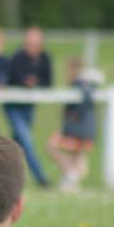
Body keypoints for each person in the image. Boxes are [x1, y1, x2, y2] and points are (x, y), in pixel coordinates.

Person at [5, 26, 52, 187]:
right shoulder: (17, 57)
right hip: (13, 105)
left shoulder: (45, 58)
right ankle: (41, 177)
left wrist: (36, 82)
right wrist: (25, 82)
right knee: (26, 141)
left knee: (15, 144)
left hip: (29, 106)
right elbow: (10, 78)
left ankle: (3, 175)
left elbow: (48, 82)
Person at [47, 58, 97, 192]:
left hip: (77, 127)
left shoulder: (80, 84)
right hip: (83, 128)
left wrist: (74, 116)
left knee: (52, 146)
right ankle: (72, 181)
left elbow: (86, 102)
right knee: (77, 156)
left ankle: (71, 176)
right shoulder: (86, 84)